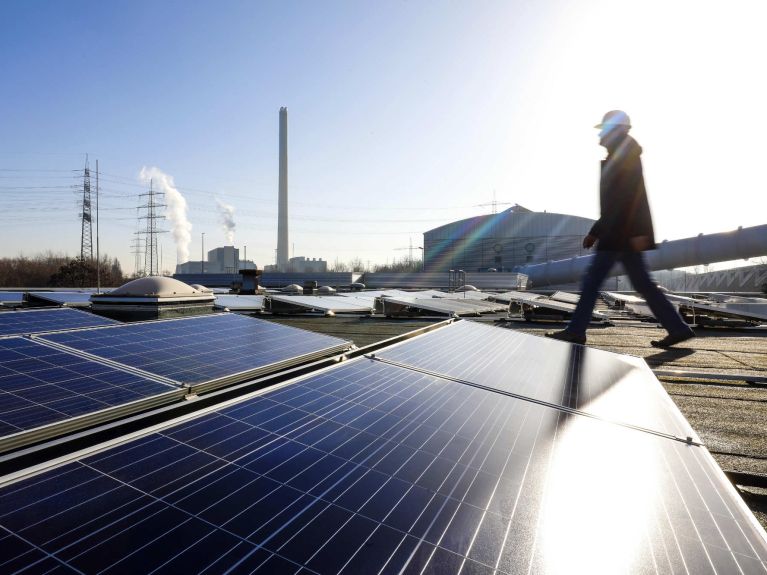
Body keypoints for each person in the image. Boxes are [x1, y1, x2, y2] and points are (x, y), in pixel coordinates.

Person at [546, 110, 695, 348]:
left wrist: (608, 232)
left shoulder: (625, 156)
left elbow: (626, 199)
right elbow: (620, 200)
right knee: (642, 284)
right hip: (623, 233)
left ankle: (576, 330)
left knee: (593, 281)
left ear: (615, 130)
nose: (599, 137)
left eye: (603, 131)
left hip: (620, 233)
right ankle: (677, 328)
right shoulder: (625, 153)